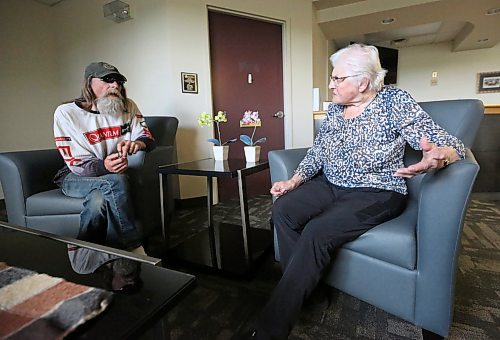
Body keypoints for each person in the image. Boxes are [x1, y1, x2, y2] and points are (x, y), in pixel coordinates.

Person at [251, 43, 465, 339]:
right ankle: (307, 291)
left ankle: (268, 331)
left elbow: (447, 142)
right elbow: (318, 150)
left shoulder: (393, 100)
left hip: (377, 191)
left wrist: (439, 155)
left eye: (337, 79)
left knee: (318, 231)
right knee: (283, 209)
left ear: (363, 82)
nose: (330, 84)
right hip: (331, 184)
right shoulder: (335, 110)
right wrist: (294, 180)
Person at [53, 61, 156, 260]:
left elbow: (147, 138)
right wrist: (104, 166)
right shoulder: (66, 113)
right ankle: (132, 248)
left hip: (110, 175)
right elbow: (76, 163)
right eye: (108, 80)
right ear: (89, 83)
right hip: (75, 175)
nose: (115, 86)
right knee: (116, 181)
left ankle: (84, 251)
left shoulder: (128, 106)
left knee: (98, 201)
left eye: (118, 81)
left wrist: (136, 145)